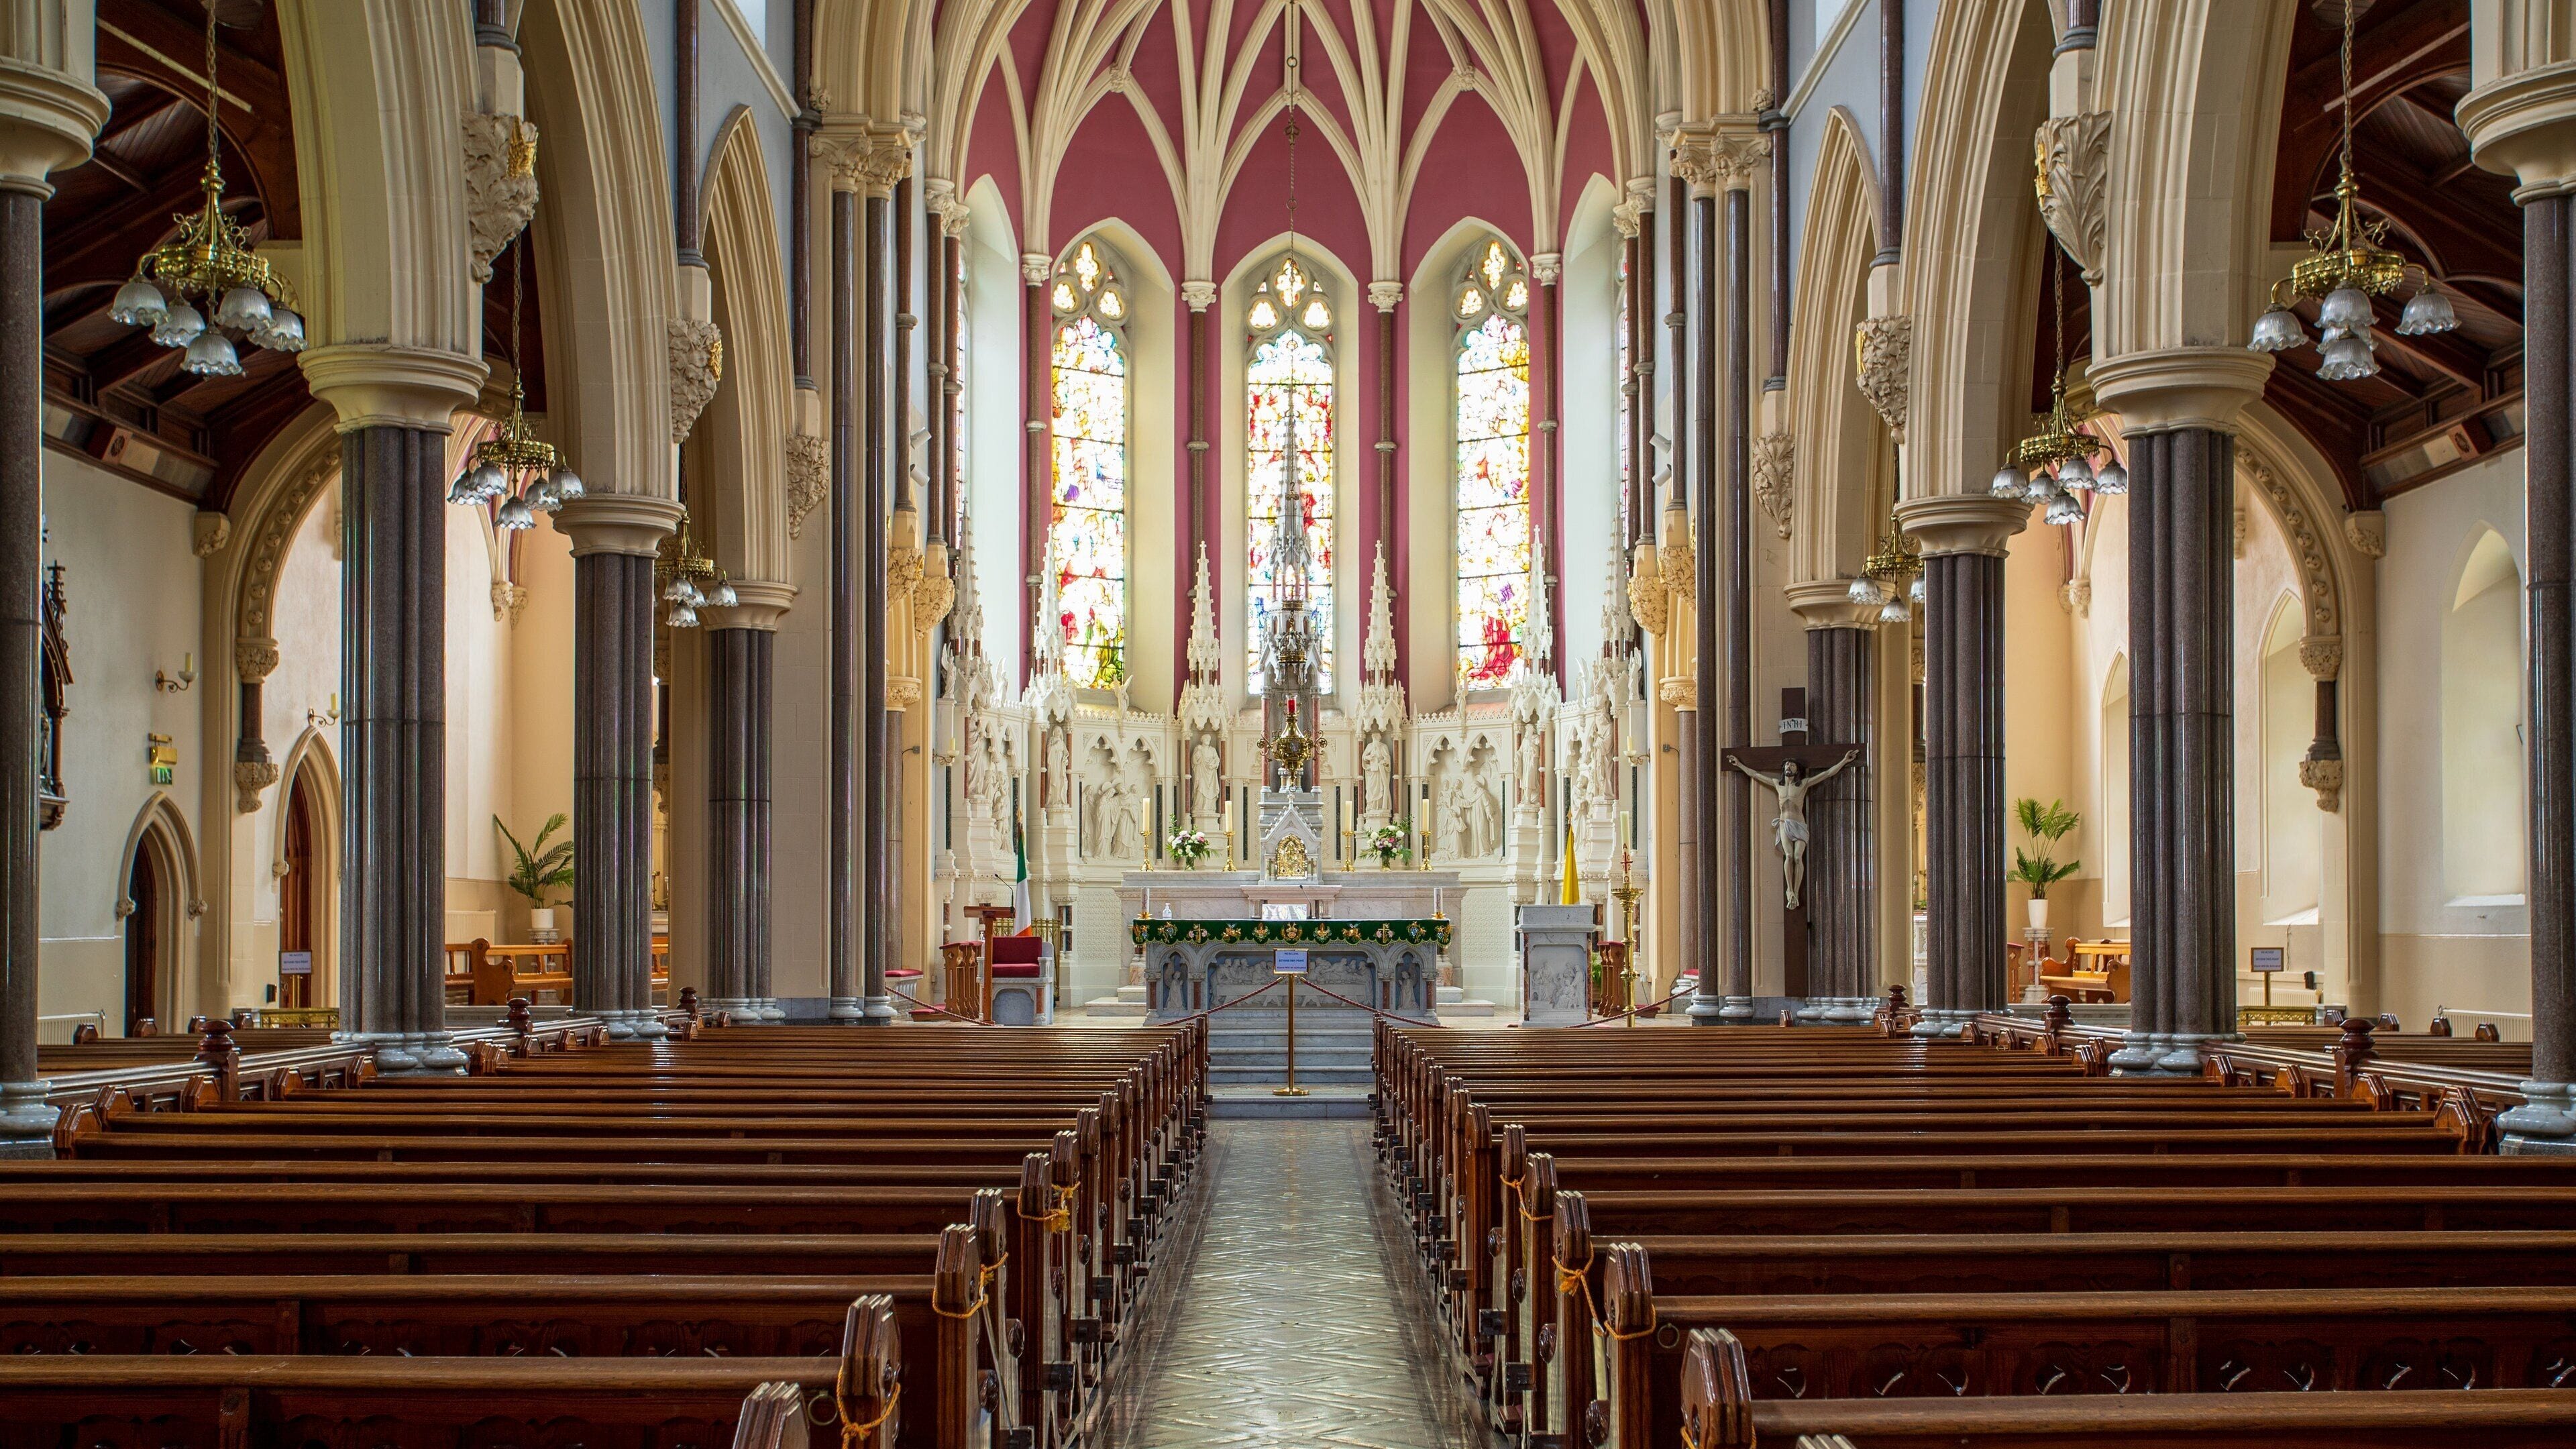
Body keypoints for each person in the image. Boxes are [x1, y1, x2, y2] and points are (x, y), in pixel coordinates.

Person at [1728, 750, 1858, 910]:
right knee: (1789, 856)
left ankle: (1795, 891)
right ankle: (1790, 891)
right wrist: (1739, 765)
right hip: (1784, 824)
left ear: (1797, 771)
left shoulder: (1803, 784)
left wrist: (1844, 761)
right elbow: (1755, 775)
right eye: (1787, 765)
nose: (1789, 767)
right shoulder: (1778, 784)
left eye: (1793, 765)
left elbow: (1827, 774)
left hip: (1799, 824)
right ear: (1784, 769)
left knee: (1797, 857)